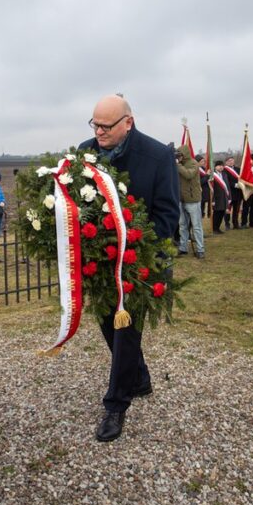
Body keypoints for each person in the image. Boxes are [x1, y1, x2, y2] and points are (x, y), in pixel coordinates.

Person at [80, 94, 179, 442]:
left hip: (140, 266)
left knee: (126, 334)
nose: (99, 132)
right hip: (101, 261)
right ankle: (139, 378)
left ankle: (116, 406)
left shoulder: (157, 156)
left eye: (107, 126)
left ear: (128, 123)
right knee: (108, 324)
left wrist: (139, 248)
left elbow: (168, 214)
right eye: (95, 124)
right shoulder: (85, 152)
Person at [175, 145, 204, 259]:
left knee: (196, 226)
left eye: (180, 155)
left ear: (185, 154)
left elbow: (189, 174)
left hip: (192, 200)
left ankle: (200, 249)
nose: (178, 157)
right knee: (182, 225)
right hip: (181, 199)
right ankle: (183, 248)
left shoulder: (193, 163)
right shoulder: (179, 165)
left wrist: (177, 165)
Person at [223, 156, 243, 229]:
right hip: (229, 192)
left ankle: (235, 224)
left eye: (232, 160)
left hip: (238, 192)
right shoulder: (224, 170)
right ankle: (227, 224)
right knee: (228, 209)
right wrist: (234, 185)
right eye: (229, 160)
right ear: (226, 162)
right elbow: (225, 181)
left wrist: (241, 185)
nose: (231, 162)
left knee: (236, 209)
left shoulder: (238, 169)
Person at [210, 160, 229, 233]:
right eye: (219, 165)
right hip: (217, 197)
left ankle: (218, 228)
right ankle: (214, 228)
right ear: (215, 167)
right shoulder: (213, 175)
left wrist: (229, 197)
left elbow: (227, 187)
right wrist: (213, 199)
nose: (221, 167)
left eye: (222, 165)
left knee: (222, 213)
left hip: (224, 197)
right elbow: (211, 188)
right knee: (217, 213)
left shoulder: (224, 174)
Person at [198, 154, 211, 219]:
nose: (203, 163)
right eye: (202, 161)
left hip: (207, 190)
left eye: (204, 161)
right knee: (201, 206)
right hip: (200, 191)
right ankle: (201, 215)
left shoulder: (203, 168)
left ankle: (208, 215)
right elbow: (200, 182)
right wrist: (207, 175)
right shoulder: (196, 170)